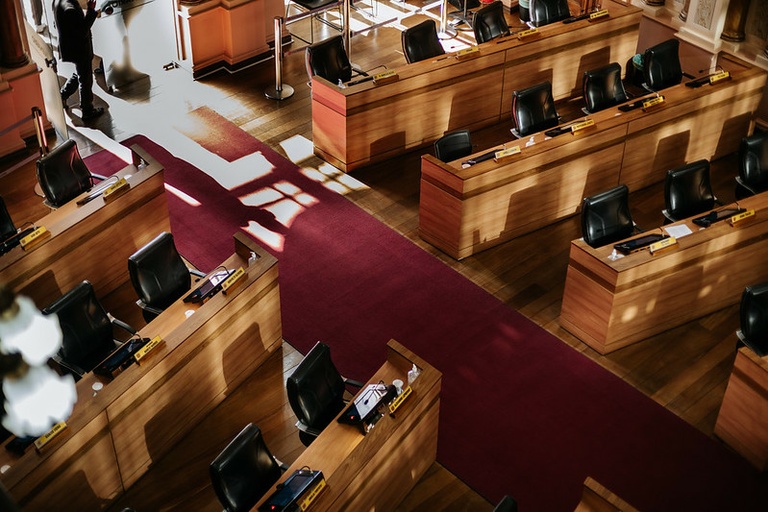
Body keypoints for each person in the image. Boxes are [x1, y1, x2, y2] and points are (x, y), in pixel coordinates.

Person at [54, 0, 104, 120]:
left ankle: (63, 94)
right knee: (86, 80)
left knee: (81, 74)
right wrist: (91, 10)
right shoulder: (70, 8)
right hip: (79, 48)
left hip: (72, 47)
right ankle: (87, 110)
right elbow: (82, 29)